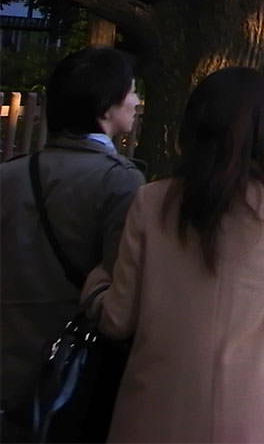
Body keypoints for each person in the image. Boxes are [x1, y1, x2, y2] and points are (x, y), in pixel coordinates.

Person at [88, 66, 264, 442]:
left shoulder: (151, 200)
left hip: (155, 410)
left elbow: (117, 318)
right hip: (247, 415)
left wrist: (96, 278)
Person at [0, 47, 145, 428]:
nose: (137, 100)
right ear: (105, 108)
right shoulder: (121, 181)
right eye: (130, 91)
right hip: (77, 368)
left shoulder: (10, 175)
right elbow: (120, 288)